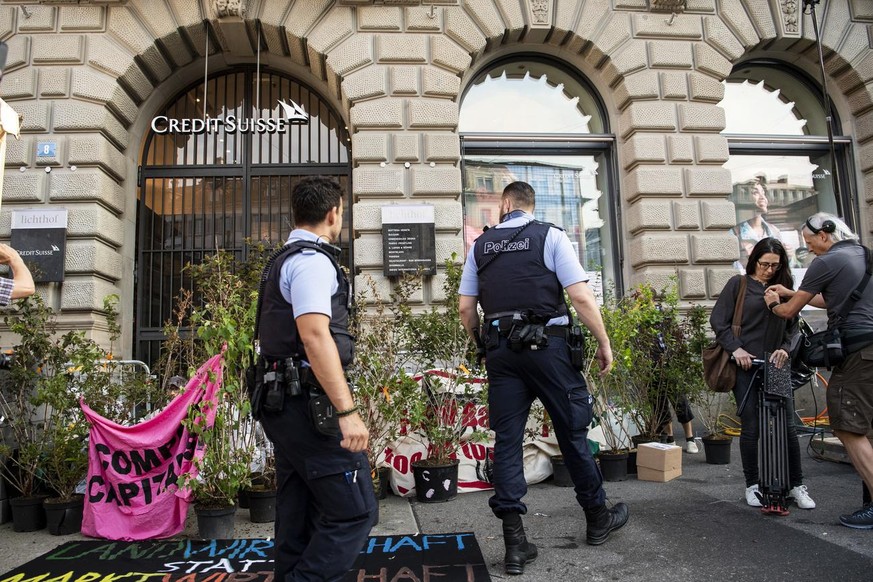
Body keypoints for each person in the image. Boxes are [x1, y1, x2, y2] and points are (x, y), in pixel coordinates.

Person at [458, 181, 628, 576]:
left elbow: (467, 308)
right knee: (571, 433)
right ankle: (596, 518)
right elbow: (581, 297)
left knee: (508, 441)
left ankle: (515, 544)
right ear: (528, 206)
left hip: (502, 354)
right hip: (549, 351)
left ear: (504, 205)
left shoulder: (480, 247)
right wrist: (604, 341)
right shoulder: (549, 235)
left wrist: (482, 345)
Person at [256, 176, 376, 581]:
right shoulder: (311, 261)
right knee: (355, 511)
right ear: (333, 213)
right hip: (310, 407)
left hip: (286, 403)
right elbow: (313, 335)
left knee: (300, 511)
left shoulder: (285, 258)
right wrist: (348, 411)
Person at [765, 213, 873, 528]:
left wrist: (774, 300)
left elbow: (788, 312)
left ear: (824, 235)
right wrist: (790, 291)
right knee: (866, 428)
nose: (810, 250)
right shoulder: (862, 253)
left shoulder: (825, 263)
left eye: (811, 244)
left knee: (846, 425)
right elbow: (837, 298)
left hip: (858, 353)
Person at [710, 237, 816, 510]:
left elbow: (793, 327)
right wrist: (737, 350)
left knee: (789, 428)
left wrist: (784, 349)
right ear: (754, 260)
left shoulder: (782, 289)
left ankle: (796, 486)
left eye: (774, 265)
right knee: (751, 426)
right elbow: (718, 321)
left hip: (777, 364)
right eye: (764, 264)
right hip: (746, 365)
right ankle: (753, 486)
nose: (768, 270)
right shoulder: (739, 284)